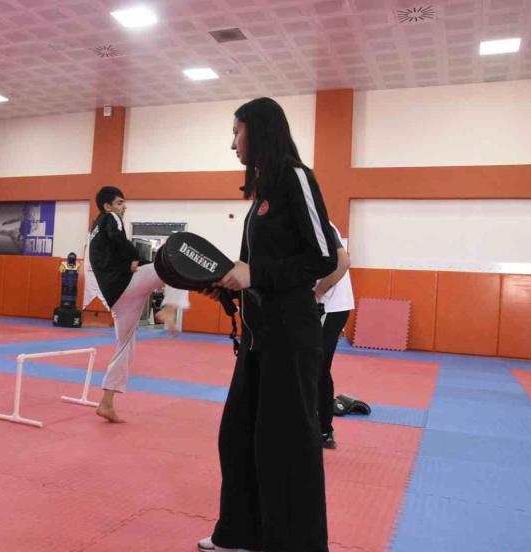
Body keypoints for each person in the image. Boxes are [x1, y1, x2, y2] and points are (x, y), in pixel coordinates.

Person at [198, 97, 338, 552]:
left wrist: (254, 274)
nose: (232, 143)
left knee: (287, 445)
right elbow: (257, 270)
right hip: (258, 338)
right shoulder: (262, 193)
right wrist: (229, 287)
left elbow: (324, 258)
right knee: (238, 435)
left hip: (291, 338)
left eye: (236, 132)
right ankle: (242, 532)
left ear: (258, 131)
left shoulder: (297, 178)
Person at [88, 186, 190, 423]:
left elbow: (111, 253)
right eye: (120, 202)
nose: (124, 207)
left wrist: (136, 261)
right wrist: (134, 257)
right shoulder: (111, 218)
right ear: (107, 206)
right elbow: (118, 239)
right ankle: (170, 308)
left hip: (117, 299)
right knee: (177, 264)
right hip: (126, 285)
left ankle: (106, 403)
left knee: (125, 347)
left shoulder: (94, 230)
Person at [314, 222, 353, 449]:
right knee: (308, 366)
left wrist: (318, 293)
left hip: (328, 306)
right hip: (326, 308)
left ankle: (324, 430)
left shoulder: (317, 221)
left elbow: (343, 262)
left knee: (318, 368)